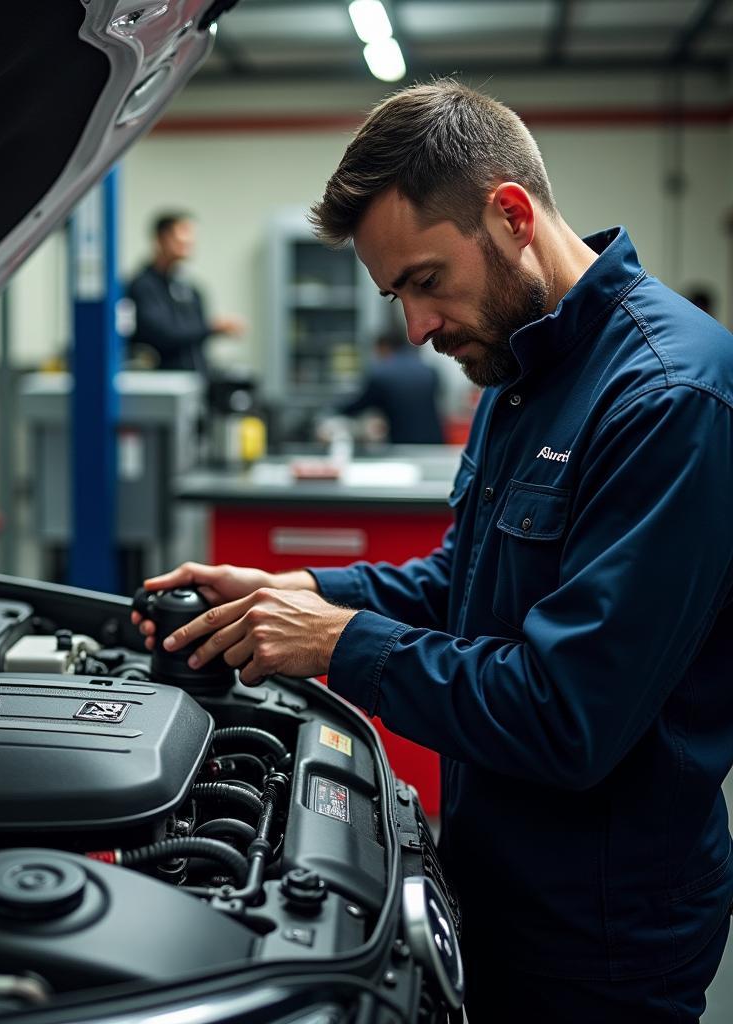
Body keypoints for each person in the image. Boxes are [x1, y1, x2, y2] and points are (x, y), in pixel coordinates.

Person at [133, 81, 733, 1022]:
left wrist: (336, 643)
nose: (414, 328)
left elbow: (566, 713)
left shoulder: (667, 399)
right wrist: (292, 590)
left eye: (424, 282)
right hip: (495, 874)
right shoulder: (520, 361)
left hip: (602, 933)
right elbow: (463, 579)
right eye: (394, 295)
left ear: (510, 214)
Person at [126, 212, 245, 375]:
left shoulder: (191, 290)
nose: (188, 242)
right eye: (181, 235)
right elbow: (160, 334)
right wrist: (212, 327)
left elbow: (196, 341)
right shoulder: (142, 286)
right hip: (162, 384)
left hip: (195, 382)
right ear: (161, 239)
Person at [336, 329, 444, 443]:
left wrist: (337, 410)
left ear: (384, 347)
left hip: (403, 443)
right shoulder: (429, 371)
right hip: (435, 441)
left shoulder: (382, 374)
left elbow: (361, 404)